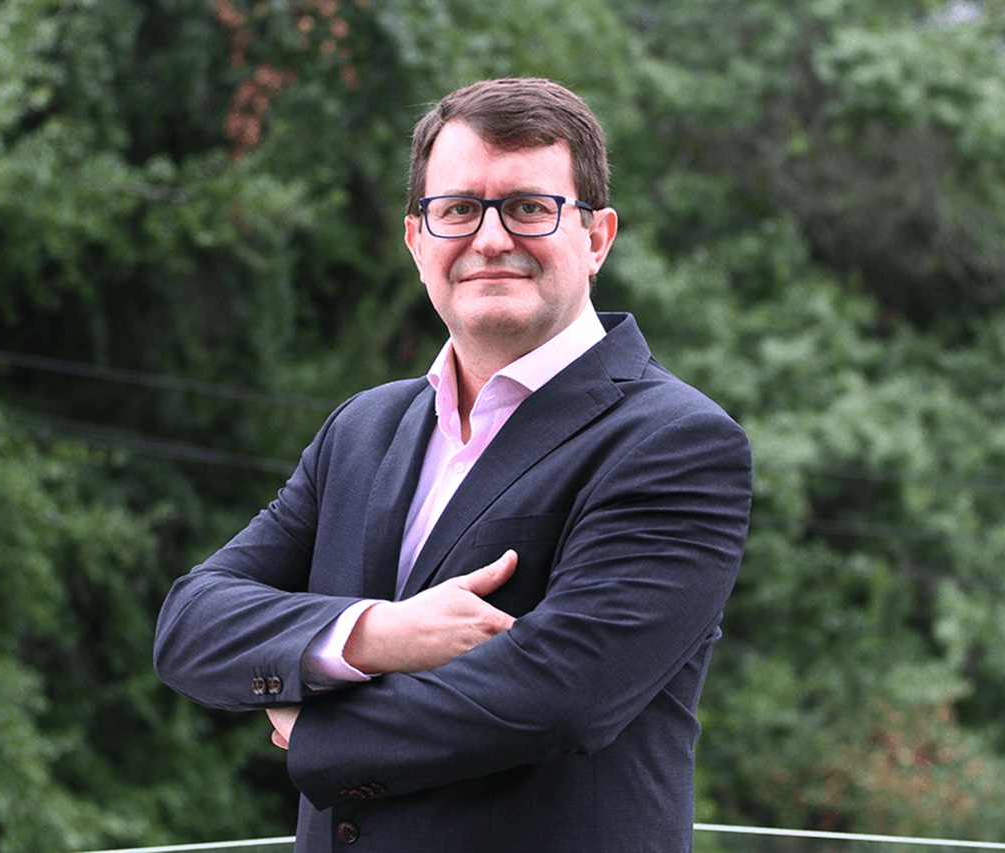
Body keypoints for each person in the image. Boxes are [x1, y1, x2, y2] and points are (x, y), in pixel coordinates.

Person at [154, 77, 752, 852]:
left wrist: (316, 731)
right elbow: (191, 625)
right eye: (459, 208)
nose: (491, 238)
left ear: (597, 237)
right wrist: (375, 634)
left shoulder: (675, 441)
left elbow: (559, 694)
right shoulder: (362, 429)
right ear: (417, 239)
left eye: (529, 207)